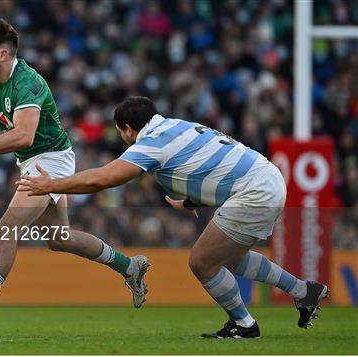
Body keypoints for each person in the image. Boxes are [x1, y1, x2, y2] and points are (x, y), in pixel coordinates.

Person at [18, 96, 329, 339]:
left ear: (128, 129)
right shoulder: (177, 125)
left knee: (202, 262)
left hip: (254, 191)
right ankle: (304, 291)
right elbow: (209, 161)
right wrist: (193, 199)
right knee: (230, 259)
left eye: (122, 134)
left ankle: (244, 324)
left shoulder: (150, 143)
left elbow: (102, 178)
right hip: (267, 178)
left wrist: (51, 185)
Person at [0, 19, 150, 334]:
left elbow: (24, 136)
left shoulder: (29, 82)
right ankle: (131, 266)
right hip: (29, 161)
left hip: (52, 160)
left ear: (3, 54)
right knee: (60, 239)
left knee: (8, 227)